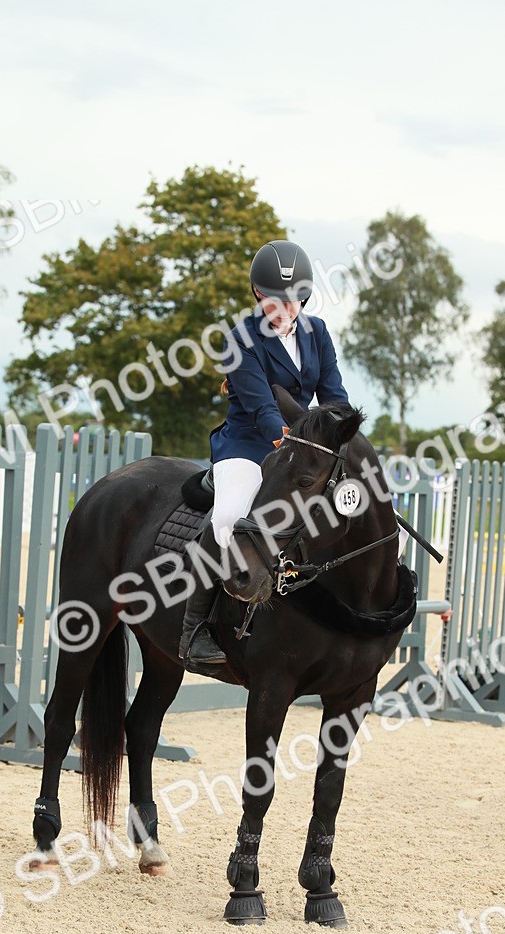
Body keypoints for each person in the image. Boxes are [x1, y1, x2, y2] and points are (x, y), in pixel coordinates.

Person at [178, 239, 350, 672]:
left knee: (350, 499)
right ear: (258, 294)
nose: (284, 309)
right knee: (227, 517)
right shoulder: (239, 339)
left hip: (303, 449)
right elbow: (261, 408)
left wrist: (343, 437)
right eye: (274, 300)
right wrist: (294, 442)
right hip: (250, 444)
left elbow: (333, 396)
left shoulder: (319, 333)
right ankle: (194, 627)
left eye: (293, 301)